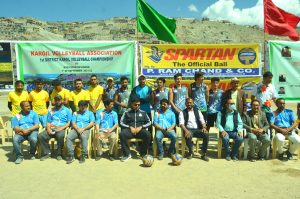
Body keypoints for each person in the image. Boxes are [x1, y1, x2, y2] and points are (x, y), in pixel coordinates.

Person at [38, 94, 72, 161]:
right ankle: (47, 152)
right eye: (56, 100)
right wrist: (48, 129)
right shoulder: (51, 110)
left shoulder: (67, 110)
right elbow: (48, 122)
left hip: (61, 128)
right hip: (51, 128)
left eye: (59, 100)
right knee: (40, 136)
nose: (57, 102)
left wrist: (61, 128)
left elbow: (68, 123)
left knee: (60, 136)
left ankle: (59, 153)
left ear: (62, 101)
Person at [119, 98, 151, 162]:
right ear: (131, 104)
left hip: (140, 131)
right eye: (135, 105)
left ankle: (143, 154)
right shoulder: (126, 112)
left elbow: (149, 122)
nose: (137, 106)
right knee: (122, 134)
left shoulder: (143, 113)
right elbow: (121, 123)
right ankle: (127, 154)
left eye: (138, 105)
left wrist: (141, 127)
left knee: (148, 134)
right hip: (130, 131)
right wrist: (129, 127)